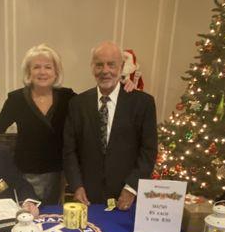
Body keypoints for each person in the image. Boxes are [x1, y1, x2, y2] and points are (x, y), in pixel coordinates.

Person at [0, 44, 75, 205]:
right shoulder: (17, 99)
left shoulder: (68, 97)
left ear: (56, 72)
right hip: (25, 171)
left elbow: (89, 107)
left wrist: (127, 85)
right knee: (27, 212)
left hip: (57, 171)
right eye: (36, 67)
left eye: (48, 67)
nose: (42, 72)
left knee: (51, 213)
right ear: (29, 72)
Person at [63, 41, 157, 211]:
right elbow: (69, 150)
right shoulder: (77, 104)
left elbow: (148, 151)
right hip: (87, 197)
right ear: (92, 68)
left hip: (127, 196)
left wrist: (131, 188)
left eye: (111, 64)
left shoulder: (143, 103)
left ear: (121, 67)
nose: (105, 70)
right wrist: (76, 186)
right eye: (99, 65)